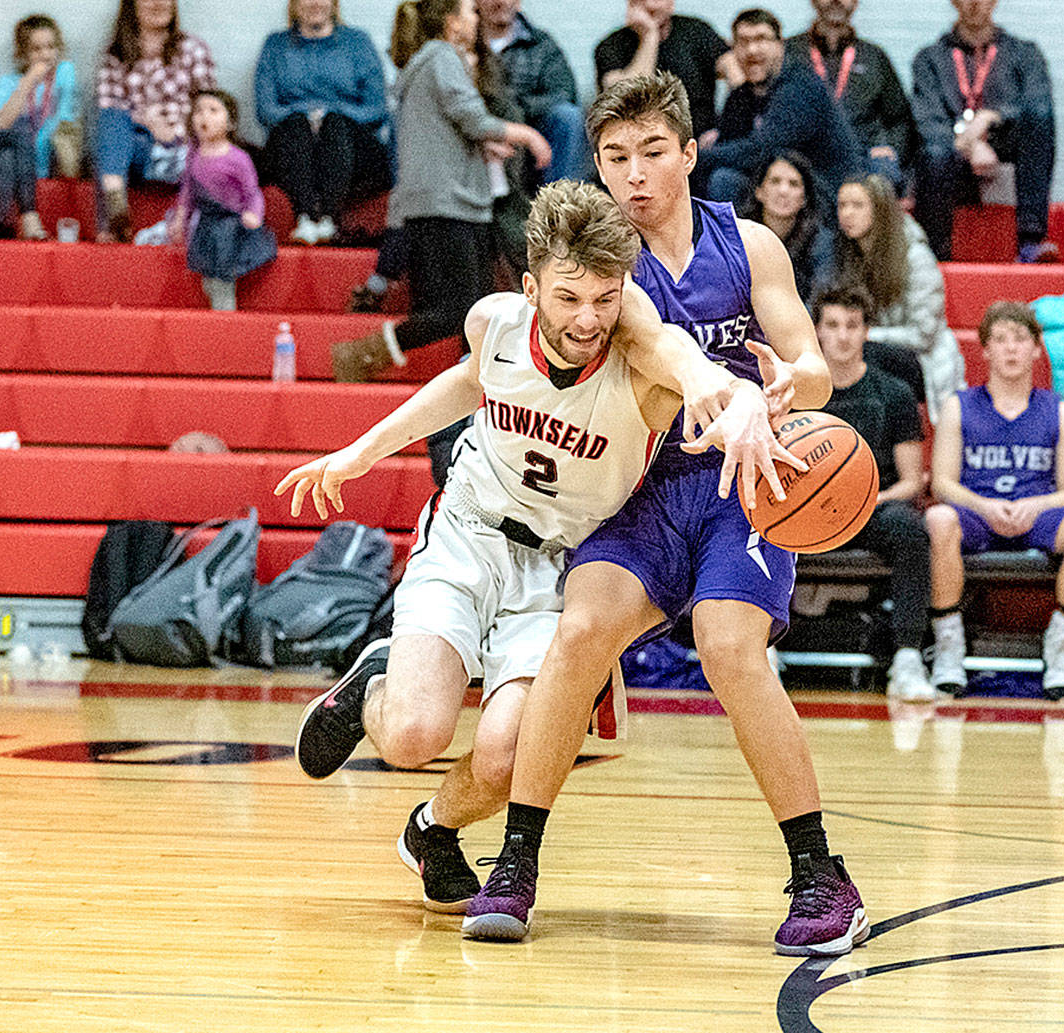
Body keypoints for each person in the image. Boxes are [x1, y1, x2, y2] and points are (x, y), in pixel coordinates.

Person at [281, 178, 791, 913]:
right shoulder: (494, 322)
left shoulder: (638, 360)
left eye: (604, 298)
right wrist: (360, 452)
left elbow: (686, 360)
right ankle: (372, 686)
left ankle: (434, 829)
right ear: (531, 286)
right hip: (470, 533)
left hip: (559, 567)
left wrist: (736, 394)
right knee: (414, 733)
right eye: (568, 297)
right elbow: (463, 384)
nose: (588, 319)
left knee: (503, 756)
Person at [465, 72, 868, 960]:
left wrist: (786, 386)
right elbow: (606, 357)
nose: (636, 174)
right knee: (579, 635)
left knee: (729, 646)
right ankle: (516, 860)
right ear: (599, 167)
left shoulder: (752, 245)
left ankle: (821, 873)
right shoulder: (598, 273)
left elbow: (818, 366)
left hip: (747, 488)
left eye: (654, 152)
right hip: (642, 489)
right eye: (616, 157)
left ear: (691, 152)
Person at [332, 0, 550, 386]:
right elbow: (471, 116)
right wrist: (527, 135)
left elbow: (446, 126)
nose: (475, 16)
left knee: (471, 305)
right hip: (448, 203)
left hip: (438, 203)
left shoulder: (425, 61)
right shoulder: (441, 57)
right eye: (468, 10)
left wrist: (481, 144)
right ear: (450, 23)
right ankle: (367, 350)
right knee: (464, 309)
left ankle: (480, 385)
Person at [924, 301, 1064, 702]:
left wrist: (1036, 507)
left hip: (1037, 513)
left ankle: (1060, 646)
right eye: (1001, 340)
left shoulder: (1060, 412)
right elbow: (942, 483)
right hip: (977, 511)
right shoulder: (959, 405)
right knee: (938, 519)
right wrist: (984, 506)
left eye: (1020, 339)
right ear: (985, 350)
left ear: (1036, 349)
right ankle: (948, 647)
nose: (1011, 349)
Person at [811, 284, 938, 701]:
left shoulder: (894, 393)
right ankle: (764, 652)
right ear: (816, 331)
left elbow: (911, 481)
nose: (843, 335)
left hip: (873, 508)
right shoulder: (798, 395)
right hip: (809, 512)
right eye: (832, 325)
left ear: (867, 331)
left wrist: (870, 500)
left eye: (852, 325)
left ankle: (906, 658)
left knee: (911, 530)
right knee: (755, 528)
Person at [911, 0, 1057, 263]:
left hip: (1004, 145)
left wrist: (991, 117)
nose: (976, 3)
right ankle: (936, 255)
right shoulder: (930, 58)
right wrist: (970, 142)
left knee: (1039, 117)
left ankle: (1030, 241)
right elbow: (928, 120)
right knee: (932, 152)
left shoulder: (1024, 53)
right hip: (952, 151)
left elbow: (1038, 101)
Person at [255, 0, 393, 246]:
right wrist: (308, 115)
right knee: (296, 124)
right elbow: (266, 111)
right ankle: (306, 216)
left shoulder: (358, 43)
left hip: (350, 146)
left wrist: (331, 112)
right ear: (294, 4)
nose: (315, 3)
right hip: (293, 145)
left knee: (334, 124)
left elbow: (376, 109)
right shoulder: (275, 45)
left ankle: (328, 217)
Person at [696, 8, 863, 207]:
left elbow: (760, 149)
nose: (752, 50)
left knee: (724, 179)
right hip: (778, 191)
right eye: (743, 41)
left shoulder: (800, 86)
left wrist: (692, 156)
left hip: (825, 197)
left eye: (761, 39)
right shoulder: (740, 97)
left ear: (780, 45)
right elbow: (728, 148)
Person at [834, 172, 965, 416]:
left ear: (880, 211)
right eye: (842, 205)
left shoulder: (915, 257)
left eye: (858, 205)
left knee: (866, 355)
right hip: (871, 350)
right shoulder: (845, 256)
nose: (847, 213)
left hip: (923, 361)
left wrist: (867, 334)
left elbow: (924, 335)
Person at [95, 0, 216, 242]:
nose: (159, 3)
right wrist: (147, 124)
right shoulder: (117, 53)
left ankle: (110, 220)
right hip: (137, 154)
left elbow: (212, 114)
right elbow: (108, 106)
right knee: (112, 118)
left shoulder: (193, 49)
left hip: (181, 154)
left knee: (115, 131)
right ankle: (114, 200)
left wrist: (172, 135)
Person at [785, 0, 917, 190]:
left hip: (863, 154)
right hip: (804, 154)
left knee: (884, 173)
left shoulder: (875, 56)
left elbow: (899, 118)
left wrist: (890, 147)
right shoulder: (788, 52)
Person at [169, 89, 275, 312]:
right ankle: (219, 315)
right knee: (208, 280)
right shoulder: (194, 155)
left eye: (213, 110)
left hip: (228, 227)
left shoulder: (237, 158)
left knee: (223, 280)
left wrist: (254, 214)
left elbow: (252, 192)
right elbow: (188, 191)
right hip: (206, 225)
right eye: (198, 111)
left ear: (230, 123)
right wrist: (180, 220)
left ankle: (225, 319)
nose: (204, 117)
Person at [0, 15, 76, 241]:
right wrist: (28, 83)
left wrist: (64, 72)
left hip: (19, 163)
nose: (45, 55)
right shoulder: (9, 82)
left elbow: (66, 124)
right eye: (36, 49)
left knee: (8, 157)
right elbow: (0, 126)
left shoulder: (62, 80)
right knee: (16, 139)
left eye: (51, 47)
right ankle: (30, 216)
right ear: (23, 53)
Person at [478, 0, 587, 183]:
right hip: (480, 124)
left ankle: (563, 201)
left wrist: (519, 112)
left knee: (568, 116)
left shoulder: (540, 43)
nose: (499, 2)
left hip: (532, 127)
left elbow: (564, 92)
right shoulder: (466, 41)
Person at [595, 0, 737, 137]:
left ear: (671, 3)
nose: (650, 5)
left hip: (700, 139)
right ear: (630, 4)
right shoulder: (610, 46)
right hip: (641, 140)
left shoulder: (696, 30)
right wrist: (650, 37)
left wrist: (728, 125)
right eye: (641, 0)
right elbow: (631, 98)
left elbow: (734, 69)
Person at [737, 150, 833, 303]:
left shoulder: (820, 241)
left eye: (793, 184)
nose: (783, 191)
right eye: (775, 181)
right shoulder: (738, 236)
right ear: (759, 191)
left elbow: (820, 300)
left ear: (804, 198)